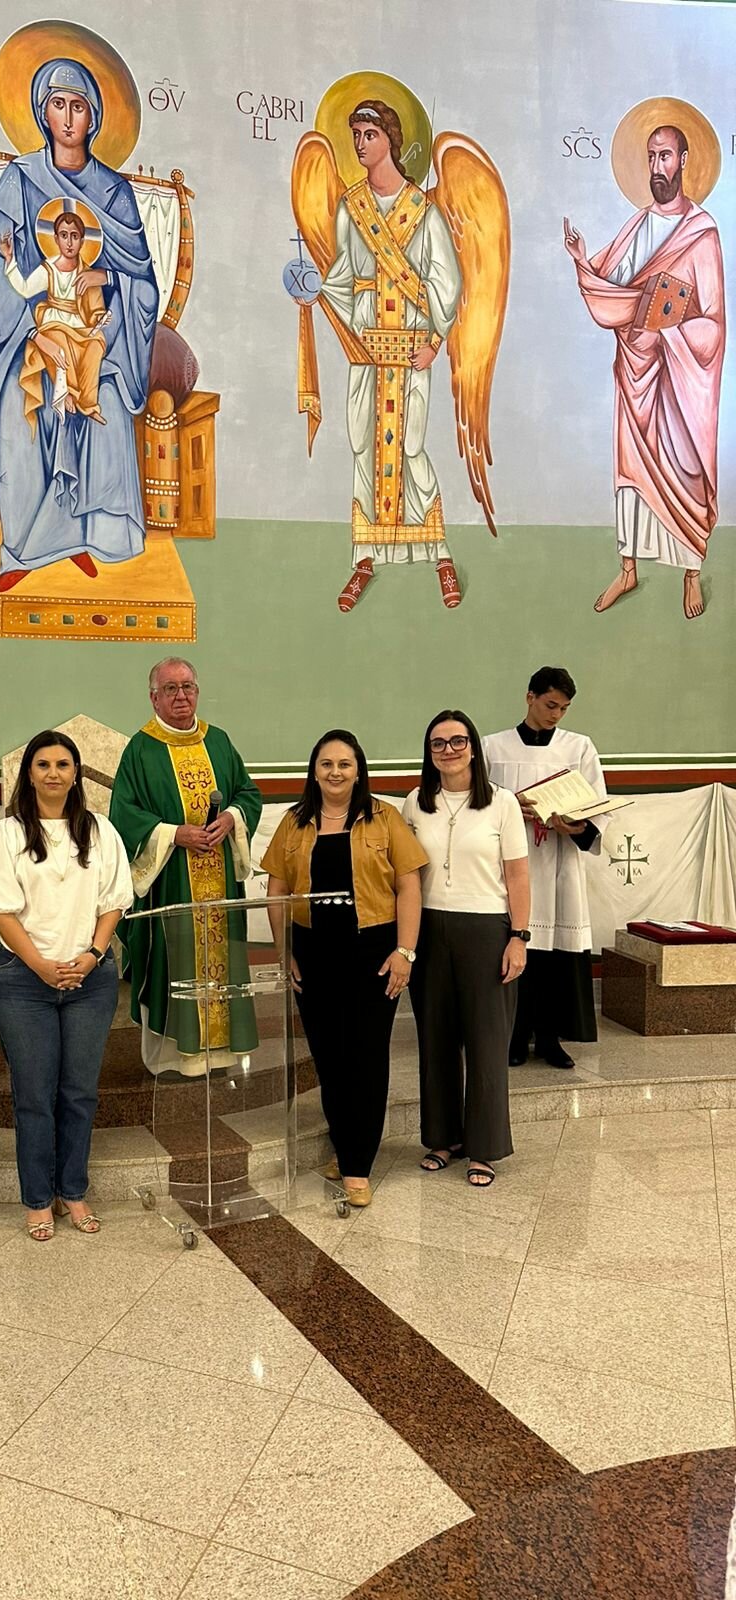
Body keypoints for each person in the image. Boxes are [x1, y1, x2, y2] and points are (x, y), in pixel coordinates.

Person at [0, 56, 159, 592]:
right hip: (32, 332)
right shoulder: (20, 179)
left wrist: (106, 285)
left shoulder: (115, 192)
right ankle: (24, 548)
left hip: (99, 335)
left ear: (94, 116)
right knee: (24, 401)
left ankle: (83, 538)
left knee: (104, 403)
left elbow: (143, 282)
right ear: (43, 113)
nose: (69, 116)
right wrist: (30, 327)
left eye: (79, 106)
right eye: (59, 104)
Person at [0, 731, 133, 1240]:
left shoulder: (101, 831)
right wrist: (40, 964)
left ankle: (74, 1190)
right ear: (29, 774)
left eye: (63, 764)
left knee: (80, 1091)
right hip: (23, 980)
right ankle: (38, 1199)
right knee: (35, 1095)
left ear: (76, 773)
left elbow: (114, 900)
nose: (53, 773)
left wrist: (93, 955)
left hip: (90, 978)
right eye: (43, 764)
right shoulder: (8, 835)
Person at [565, 124, 725, 621]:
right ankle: (628, 568)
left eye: (666, 156)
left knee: (685, 468)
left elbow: (714, 322)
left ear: (684, 160)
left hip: (677, 376)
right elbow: (610, 282)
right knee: (631, 472)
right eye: (652, 157)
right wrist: (582, 261)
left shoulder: (702, 234)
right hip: (633, 370)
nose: (657, 167)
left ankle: (691, 573)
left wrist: (671, 327)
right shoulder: (637, 224)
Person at [261, 730, 426, 1206]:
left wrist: (405, 952)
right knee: (328, 1057)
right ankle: (344, 1143)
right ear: (314, 771)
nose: (335, 772)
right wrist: (284, 952)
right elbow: (276, 891)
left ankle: (358, 1165)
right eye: (327, 763)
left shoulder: (384, 818)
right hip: (313, 951)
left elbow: (409, 886)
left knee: (366, 1056)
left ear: (358, 771)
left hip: (373, 950)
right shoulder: (295, 822)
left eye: (345, 764)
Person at [318, 100, 464, 611]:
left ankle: (440, 554)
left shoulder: (422, 211)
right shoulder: (351, 207)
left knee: (411, 448)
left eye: (370, 134)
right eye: (356, 134)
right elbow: (341, 275)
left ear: (391, 141)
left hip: (410, 351)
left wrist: (435, 341)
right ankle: (364, 558)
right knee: (363, 446)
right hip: (367, 352)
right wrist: (316, 291)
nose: (360, 144)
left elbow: (446, 281)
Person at [110, 657, 264, 1076]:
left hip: (220, 886)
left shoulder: (219, 741)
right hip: (172, 882)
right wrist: (173, 834)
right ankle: (175, 1057)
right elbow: (123, 814)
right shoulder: (141, 749)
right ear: (154, 698)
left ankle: (225, 1052)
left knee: (224, 960)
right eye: (171, 689)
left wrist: (231, 818)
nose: (181, 696)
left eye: (188, 687)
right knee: (172, 961)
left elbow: (248, 794)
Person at [401, 711, 531, 1187]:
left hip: (487, 929)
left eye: (457, 741)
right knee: (436, 1039)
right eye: (438, 743)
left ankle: (484, 1147)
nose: (448, 750)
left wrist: (519, 937)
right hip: (429, 928)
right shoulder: (416, 803)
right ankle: (443, 1138)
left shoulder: (502, 803)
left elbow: (518, 875)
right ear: (429, 752)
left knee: (486, 1042)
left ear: (473, 748)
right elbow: (405, 875)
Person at [483, 667, 603, 1069]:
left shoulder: (579, 747)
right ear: (529, 697)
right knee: (514, 947)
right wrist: (508, 805)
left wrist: (577, 825)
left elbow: (596, 806)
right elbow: (477, 803)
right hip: (509, 865)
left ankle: (550, 1039)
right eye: (551, 705)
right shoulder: (493, 747)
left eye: (564, 709)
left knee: (553, 954)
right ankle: (515, 1037)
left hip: (558, 862)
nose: (556, 715)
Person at [2, 210, 110, 428]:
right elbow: (25, 289)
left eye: (74, 236)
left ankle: (88, 405)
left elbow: (96, 309)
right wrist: (10, 260)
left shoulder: (87, 273)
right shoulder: (48, 269)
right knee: (59, 341)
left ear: (82, 241)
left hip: (79, 326)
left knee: (96, 345)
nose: (69, 242)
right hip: (53, 321)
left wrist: (100, 319)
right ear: (56, 239)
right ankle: (67, 392)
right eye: (64, 235)